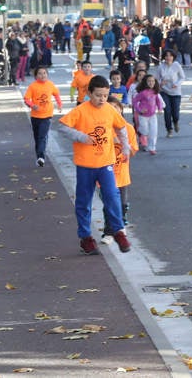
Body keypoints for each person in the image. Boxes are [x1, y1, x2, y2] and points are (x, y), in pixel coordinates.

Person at [57, 75, 133, 255]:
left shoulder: (109, 110)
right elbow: (62, 127)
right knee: (84, 201)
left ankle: (118, 231)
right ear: (89, 93)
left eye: (105, 95)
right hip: (85, 165)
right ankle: (86, 238)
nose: (102, 99)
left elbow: (121, 127)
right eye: (98, 95)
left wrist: (125, 147)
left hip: (106, 163)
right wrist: (81, 137)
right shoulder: (81, 110)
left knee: (112, 196)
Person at [101, 96, 139, 242]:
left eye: (115, 107)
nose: (113, 110)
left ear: (121, 109)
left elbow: (133, 151)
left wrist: (122, 143)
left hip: (121, 173)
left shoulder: (128, 128)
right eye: (109, 108)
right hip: (105, 173)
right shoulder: (102, 129)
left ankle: (120, 223)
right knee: (109, 204)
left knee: (122, 203)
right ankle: (109, 232)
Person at [23, 67, 63, 167]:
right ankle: (39, 157)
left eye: (44, 73)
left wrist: (59, 104)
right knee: (37, 137)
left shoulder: (50, 84)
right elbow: (26, 99)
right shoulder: (33, 86)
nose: (43, 75)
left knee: (42, 136)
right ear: (36, 76)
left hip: (47, 115)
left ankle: (41, 157)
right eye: (40, 73)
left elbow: (56, 94)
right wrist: (32, 105)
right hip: (35, 116)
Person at [155, 49, 186, 137]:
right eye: (166, 56)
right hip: (164, 91)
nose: (168, 57)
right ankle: (169, 129)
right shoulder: (161, 67)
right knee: (167, 111)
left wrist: (177, 84)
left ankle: (175, 122)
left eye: (170, 56)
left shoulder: (176, 65)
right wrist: (161, 82)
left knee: (175, 112)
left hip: (176, 92)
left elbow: (182, 77)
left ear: (173, 57)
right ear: (164, 57)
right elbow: (156, 79)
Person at [132, 74, 165, 155]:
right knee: (144, 131)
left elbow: (158, 102)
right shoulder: (142, 93)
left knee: (153, 132)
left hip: (153, 115)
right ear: (145, 83)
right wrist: (139, 110)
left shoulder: (155, 92)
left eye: (153, 81)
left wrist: (160, 109)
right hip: (143, 116)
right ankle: (140, 132)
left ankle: (152, 148)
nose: (151, 83)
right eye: (149, 81)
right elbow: (135, 101)